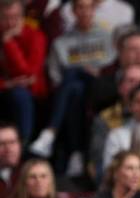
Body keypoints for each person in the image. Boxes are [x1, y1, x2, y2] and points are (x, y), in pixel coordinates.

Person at [30, 0, 115, 166]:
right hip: (72, 90)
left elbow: (111, 71)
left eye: (88, 7)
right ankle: (76, 154)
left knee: (73, 72)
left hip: (99, 88)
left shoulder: (107, 37)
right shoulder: (61, 42)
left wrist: (94, 72)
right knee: (75, 86)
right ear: (73, 11)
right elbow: (55, 77)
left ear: (94, 10)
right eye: (80, 8)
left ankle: (50, 132)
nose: (84, 12)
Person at [0, 0, 47, 143]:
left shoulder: (35, 36)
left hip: (31, 95)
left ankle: (23, 147)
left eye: (14, 17)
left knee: (20, 95)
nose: (10, 23)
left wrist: (8, 43)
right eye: (5, 18)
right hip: (4, 89)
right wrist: (7, 84)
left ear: (22, 16)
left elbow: (28, 74)